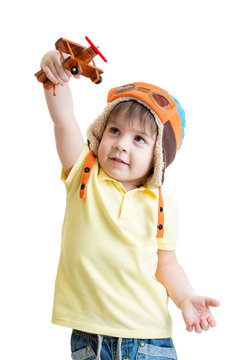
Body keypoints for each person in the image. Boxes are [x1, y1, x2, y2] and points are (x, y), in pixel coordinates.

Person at [39, 50, 220, 360]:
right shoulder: (83, 174)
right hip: (90, 340)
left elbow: (166, 264)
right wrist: (55, 77)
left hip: (149, 340)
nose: (122, 143)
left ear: (158, 156)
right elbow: (64, 121)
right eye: (114, 131)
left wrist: (186, 298)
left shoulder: (162, 204)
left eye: (139, 139)